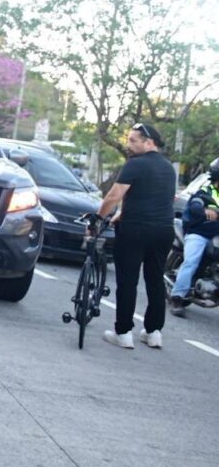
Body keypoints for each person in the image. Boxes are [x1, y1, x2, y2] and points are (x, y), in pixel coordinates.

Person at [93, 123, 175, 349]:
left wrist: (99, 218)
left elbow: (114, 196)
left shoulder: (135, 164)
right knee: (155, 279)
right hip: (164, 230)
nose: (129, 144)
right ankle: (154, 332)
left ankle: (123, 332)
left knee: (127, 280)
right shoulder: (168, 168)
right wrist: (122, 213)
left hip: (135, 230)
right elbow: (159, 199)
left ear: (149, 142)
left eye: (133, 140)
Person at [170, 157, 219, 316]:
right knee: (191, 261)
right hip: (199, 233)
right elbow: (195, 205)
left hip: (216, 235)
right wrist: (205, 211)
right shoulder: (205, 191)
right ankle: (177, 298)